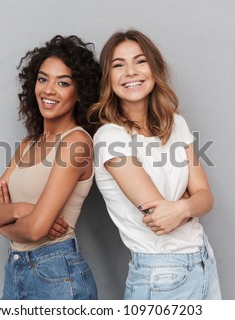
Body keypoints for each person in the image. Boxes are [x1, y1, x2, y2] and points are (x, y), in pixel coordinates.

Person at [88, 29, 222, 299]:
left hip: (203, 260)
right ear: (108, 78)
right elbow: (159, 218)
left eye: (140, 61)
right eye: (118, 65)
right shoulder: (110, 138)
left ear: (154, 68)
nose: (130, 71)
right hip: (161, 274)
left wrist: (182, 206)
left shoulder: (175, 124)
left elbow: (206, 199)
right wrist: (187, 202)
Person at [0, 35, 100, 300]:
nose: (49, 90)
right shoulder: (28, 145)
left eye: (63, 83)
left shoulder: (76, 144)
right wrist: (20, 210)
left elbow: (35, 230)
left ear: (80, 92)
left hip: (56, 273)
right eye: (43, 79)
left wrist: (2, 226)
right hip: (16, 269)